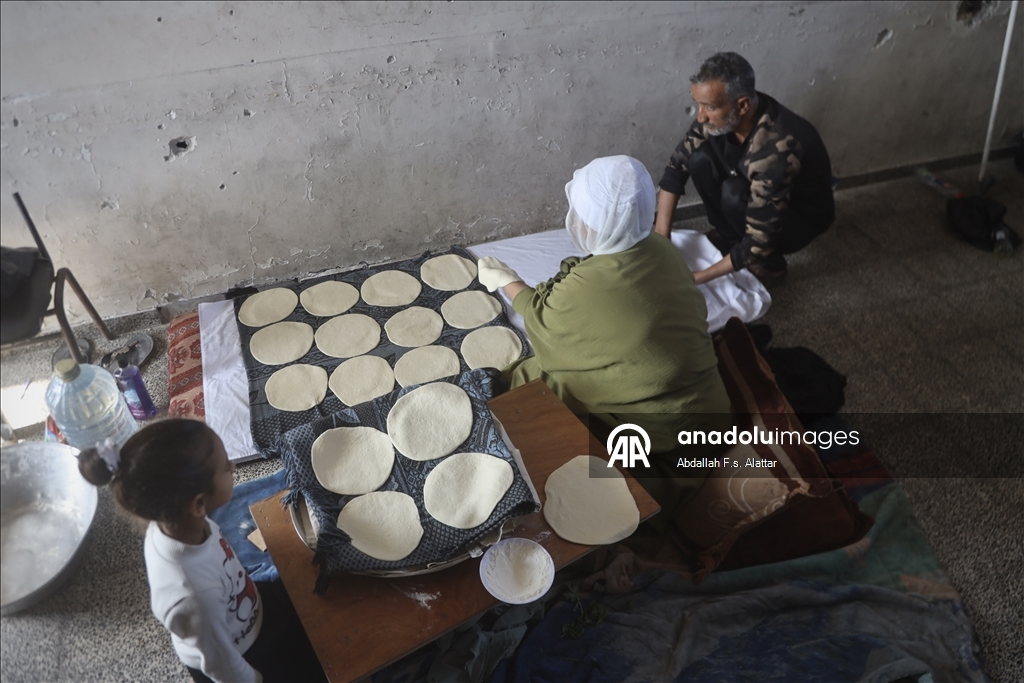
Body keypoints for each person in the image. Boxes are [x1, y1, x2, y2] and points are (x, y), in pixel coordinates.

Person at [478, 155, 733, 520]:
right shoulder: (662, 249)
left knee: (550, 378)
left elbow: (542, 321)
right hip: (710, 415)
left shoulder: (586, 289)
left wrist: (507, 280)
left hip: (667, 442)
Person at [77, 420, 326, 683]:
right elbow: (224, 667)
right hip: (244, 654)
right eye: (225, 467)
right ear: (198, 503)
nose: (233, 467)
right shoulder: (192, 597)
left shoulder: (179, 522)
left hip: (246, 608)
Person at [653, 52, 835, 287]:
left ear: (742, 105)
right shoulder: (719, 118)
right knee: (699, 159)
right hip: (757, 191)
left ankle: (773, 267)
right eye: (698, 104)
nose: (700, 117)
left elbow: (759, 240)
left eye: (709, 107)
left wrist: (695, 279)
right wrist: (662, 239)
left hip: (798, 219)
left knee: (733, 193)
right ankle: (729, 235)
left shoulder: (775, 149)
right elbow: (675, 169)